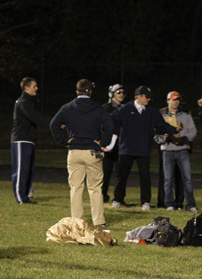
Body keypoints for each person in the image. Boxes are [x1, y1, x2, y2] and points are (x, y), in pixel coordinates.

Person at [49, 79, 114, 226]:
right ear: (90, 92)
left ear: (76, 91)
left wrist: (64, 140)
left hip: (74, 152)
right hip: (92, 151)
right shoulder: (98, 108)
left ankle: (77, 221)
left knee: (75, 188)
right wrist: (103, 142)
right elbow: (109, 125)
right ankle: (98, 221)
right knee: (95, 188)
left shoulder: (67, 107)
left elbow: (53, 124)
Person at [109, 85, 178, 211]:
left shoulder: (151, 111)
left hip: (143, 149)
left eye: (150, 97)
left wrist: (174, 129)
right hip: (126, 148)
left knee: (145, 176)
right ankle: (117, 199)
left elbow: (161, 125)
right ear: (138, 97)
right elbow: (111, 120)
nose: (148, 99)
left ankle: (145, 202)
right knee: (121, 175)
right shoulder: (125, 108)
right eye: (146, 96)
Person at [155, 91, 198, 212]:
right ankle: (169, 203)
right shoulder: (162, 116)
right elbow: (156, 134)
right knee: (168, 179)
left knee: (187, 178)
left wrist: (185, 139)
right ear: (168, 101)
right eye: (173, 99)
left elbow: (193, 132)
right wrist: (164, 138)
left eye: (178, 100)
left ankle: (191, 204)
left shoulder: (185, 116)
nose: (176, 102)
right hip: (167, 150)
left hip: (182, 150)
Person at [10, 76, 48, 204]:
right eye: (34, 86)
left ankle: (25, 195)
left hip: (28, 140)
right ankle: (21, 198)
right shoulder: (23, 102)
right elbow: (35, 117)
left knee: (28, 170)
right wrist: (54, 122)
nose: (37, 88)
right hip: (21, 140)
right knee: (21, 170)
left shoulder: (29, 101)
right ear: (26, 87)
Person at [101, 83, 125, 203]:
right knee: (106, 172)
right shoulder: (105, 108)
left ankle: (119, 198)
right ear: (112, 94)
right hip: (109, 144)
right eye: (118, 92)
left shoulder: (126, 108)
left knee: (121, 174)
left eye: (122, 92)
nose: (121, 94)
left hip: (122, 144)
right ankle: (102, 196)